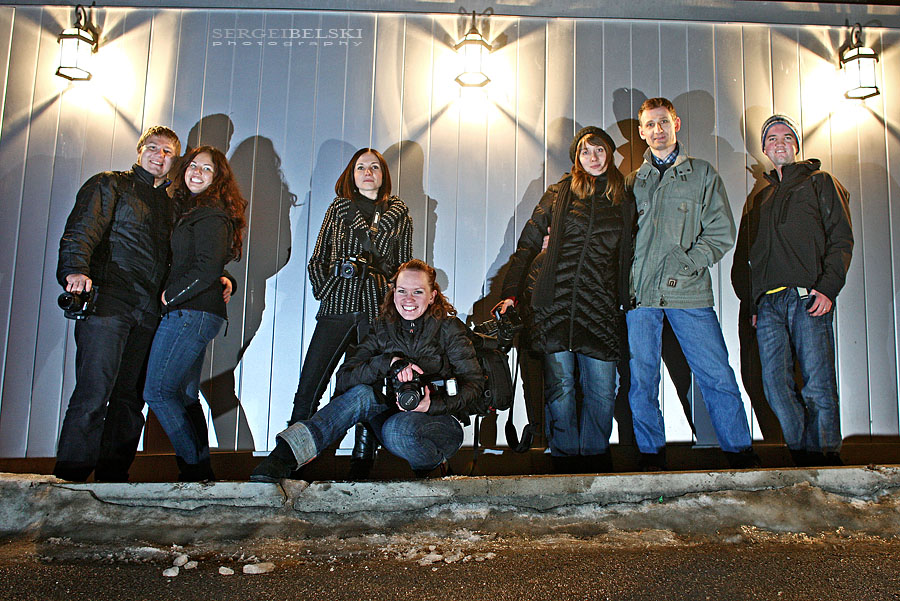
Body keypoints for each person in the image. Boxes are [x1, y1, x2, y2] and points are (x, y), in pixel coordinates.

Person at [251, 259, 483, 481]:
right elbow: (345, 378)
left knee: (397, 429)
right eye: (401, 291)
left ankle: (432, 466)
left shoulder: (449, 329)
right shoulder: (383, 327)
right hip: (394, 415)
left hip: (439, 422)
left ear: (432, 296)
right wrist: (388, 363)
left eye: (418, 292)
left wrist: (432, 404)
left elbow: (475, 385)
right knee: (362, 395)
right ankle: (282, 458)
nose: (408, 299)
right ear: (393, 293)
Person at [625, 97, 758, 470]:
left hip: (688, 291)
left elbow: (720, 233)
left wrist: (685, 265)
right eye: (650, 125)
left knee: (716, 374)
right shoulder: (633, 182)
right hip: (642, 297)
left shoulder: (702, 174)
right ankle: (651, 459)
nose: (657, 130)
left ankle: (740, 455)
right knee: (642, 381)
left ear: (676, 124)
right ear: (641, 132)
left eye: (663, 122)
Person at [496, 126, 632, 474]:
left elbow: (631, 254)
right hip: (554, 303)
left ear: (610, 153)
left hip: (599, 307)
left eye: (599, 150)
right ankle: (565, 466)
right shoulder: (558, 193)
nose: (593, 157)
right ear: (577, 158)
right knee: (561, 389)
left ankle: (596, 464)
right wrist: (510, 293)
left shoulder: (624, 197)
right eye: (586, 152)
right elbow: (528, 244)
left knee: (602, 390)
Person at [732, 115, 852, 467]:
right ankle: (802, 458)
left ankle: (827, 461)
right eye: (771, 138)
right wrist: (753, 301)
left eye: (786, 137)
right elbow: (750, 255)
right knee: (774, 385)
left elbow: (841, 239)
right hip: (768, 305)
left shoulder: (820, 182)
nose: (779, 142)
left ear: (796, 145)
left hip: (807, 297)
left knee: (817, 384)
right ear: (765, 149)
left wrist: (828, 288)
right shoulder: (761, 198)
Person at [285, 148, 413, 477]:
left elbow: (405, 270)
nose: (367, 172)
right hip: (338, 307)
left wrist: (394, 303)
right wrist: (330, 288)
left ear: (383, 175)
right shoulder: (338, 210)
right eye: (360, 167)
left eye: (374, 167)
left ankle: (362, 462)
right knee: (310, 383)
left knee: (366, 387)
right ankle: (292, 456)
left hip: (375, 313)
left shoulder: (400, 217)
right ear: (351, 175)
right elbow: (317, 261)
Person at [143, 146, 248, 481]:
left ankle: (194, 470)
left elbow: (207, 268)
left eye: (207, 168)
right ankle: (201, 472)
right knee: (186, 395)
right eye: (193, 166)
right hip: (193, 311)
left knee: (157, 392)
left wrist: (168, 297)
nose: (197, 172)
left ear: (217, 179)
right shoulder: (191, 210)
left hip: (191, 313)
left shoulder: (212, 215)